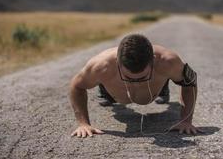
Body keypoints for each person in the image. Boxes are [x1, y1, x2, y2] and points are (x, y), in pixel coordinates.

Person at [69, 34, 200, 138]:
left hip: (156, 81)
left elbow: (190, 82)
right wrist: (83, 123)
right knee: (120, 103)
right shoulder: (101, 66)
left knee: (146, 97)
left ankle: (162, 86)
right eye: (128, 77)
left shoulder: (168, 61)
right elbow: (77, 86)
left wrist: (186, 121)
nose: (135, 82)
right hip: (113, 86)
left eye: (142, 77)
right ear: (117, 63)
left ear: (153, 61)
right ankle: (104, 89)